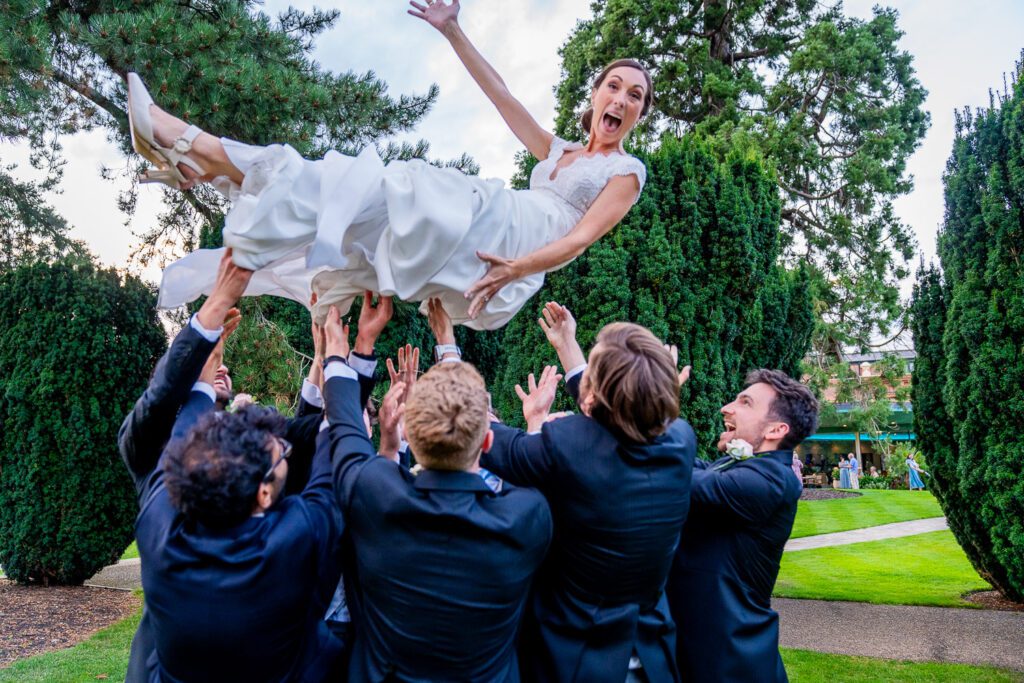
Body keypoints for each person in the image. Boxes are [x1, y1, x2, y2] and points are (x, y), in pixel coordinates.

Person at [127, 0, 653, 331]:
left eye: (635, 96)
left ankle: (196, 150)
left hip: (518, 240)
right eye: (614, 86)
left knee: (385, 198)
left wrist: (520, 268)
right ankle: (205, 158)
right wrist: (452, 32)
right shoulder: (560, 151)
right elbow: (503, 97)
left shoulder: (626, 172)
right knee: (368, 212)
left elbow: (580, 239)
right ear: (597, 92)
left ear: (638, 114)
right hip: (500, 214)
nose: (621, 99)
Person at [119, 250, 346, 682]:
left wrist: (319, 366)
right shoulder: (151, 445)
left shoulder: (161, 518)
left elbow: (292, 444)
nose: (219, 368)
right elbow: (162, 403)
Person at [320, 303, 553, 681]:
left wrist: (338, 353)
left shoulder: (374, 494)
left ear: (409, 432)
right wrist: (446, 342)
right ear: (489, 441)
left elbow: (345, 426)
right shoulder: (527, 515)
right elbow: (532, 460)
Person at [480, 301, 697, 683]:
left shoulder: (568, 444)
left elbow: (490, 440)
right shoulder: (679, 439)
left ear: (595, 394)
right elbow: (625, 404)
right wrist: (569, 347)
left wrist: (447, 354)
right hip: (652, 655)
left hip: (576, 657)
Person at [667, 369, 819, 683]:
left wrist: (657, 404)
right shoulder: (737, 466)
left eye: (745, 403)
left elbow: (672, 472)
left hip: (729, 660)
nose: (726, 408)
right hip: (698, 650)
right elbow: (681, 463)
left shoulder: (770, 480)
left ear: (776, 429)